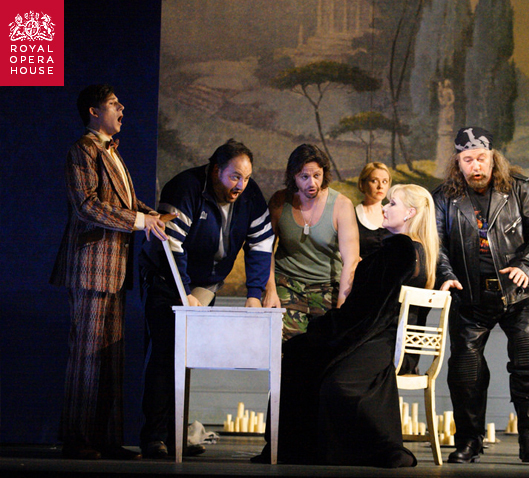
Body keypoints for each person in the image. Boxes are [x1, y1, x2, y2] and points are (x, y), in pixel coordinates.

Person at [252, 184, 439, 467]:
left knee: (298, 354)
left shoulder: (400, 249)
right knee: (302, 352)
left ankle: (295, 448)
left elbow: (368, 310)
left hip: (375, 340)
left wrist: (325, 329)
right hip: (383, 338)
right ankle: (301, 448)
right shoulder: (418, 251)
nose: (384, 208)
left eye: (392, 204)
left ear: (410, 213)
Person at [50, 84, 173, 460]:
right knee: (87, 357)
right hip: (91, 267)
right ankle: (78, 439)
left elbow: (126, 202)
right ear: (93, 111)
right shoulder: (82, 151)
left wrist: (153, 215)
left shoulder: (112, 152)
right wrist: (140, 221)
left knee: (111, 359)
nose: (122, 110)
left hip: (114, 269)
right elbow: (87, 206)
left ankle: (105, 438)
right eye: (114, 104)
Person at [138, 139, 274, 458]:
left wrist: (255, 294)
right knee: (165, 356)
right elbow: (171, 245)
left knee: (186, 361)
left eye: (246, 178)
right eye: (234, 177)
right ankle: (154, 436)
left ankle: (176, 435)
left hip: (205, 285)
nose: (241, 185)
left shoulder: (250, 196)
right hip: (167, 279)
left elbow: (261, 242)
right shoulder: (185, 188)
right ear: (215, 171)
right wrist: (183, 292)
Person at [432, 126, 529, 464]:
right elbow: (435, 243)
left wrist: (526, 265)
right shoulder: (443, 197)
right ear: (458, 162)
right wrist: (446, 275)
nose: (476, 166)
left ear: (493, 158)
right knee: (465, 373)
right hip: (470, 296)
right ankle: (469, 441)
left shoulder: (518, 188)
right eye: (468, 160)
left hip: (519, 294)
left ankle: (528, 437)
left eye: (481, 158)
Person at [262, 144, 359, 341]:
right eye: (304, 177)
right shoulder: (280, 201)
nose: (312, 183)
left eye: (317, 175)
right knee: (283, 346)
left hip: (327, 286)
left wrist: (342, 306)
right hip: (287, 283)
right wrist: (270, 289)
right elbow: (264, 249)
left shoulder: (341, 205)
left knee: (325, 346)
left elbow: (351, 260)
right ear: (293, 176)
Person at [355, 162, 392, 259]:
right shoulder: (351, 216)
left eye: (385, 181)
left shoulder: (393, 215)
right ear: (363, 184)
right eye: (374, 181)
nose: (380, 186)